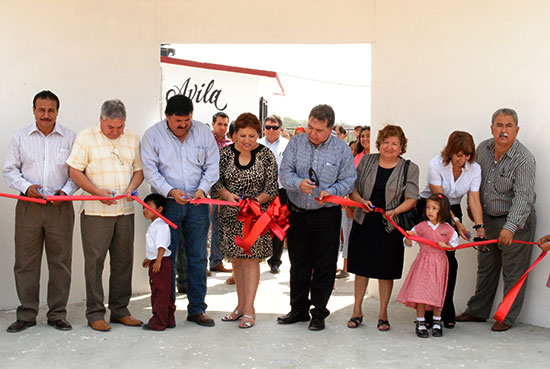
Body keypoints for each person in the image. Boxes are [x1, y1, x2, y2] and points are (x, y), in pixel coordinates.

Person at [3, 90, 78, 333]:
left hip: (60, 208)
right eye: (41, 110)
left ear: (58, 111)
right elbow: (9, 171)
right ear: (33, 110)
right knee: (26, 262)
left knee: (60, 263)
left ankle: (57, 314)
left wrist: (65, 193)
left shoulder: (70, 137)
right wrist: (27, 188)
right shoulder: (20, 137)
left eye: (51, 110)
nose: (46, 115)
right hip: (29, 207)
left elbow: (76, 173)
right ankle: (26, 314)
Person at [141, 94, 219, 327]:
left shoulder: (203, 132)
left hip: (198, 204)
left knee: (197, 257)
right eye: (178, 121)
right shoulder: (153, 135)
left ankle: (197, 310)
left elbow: (212, 165)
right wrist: (170, 191)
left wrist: (203, 190)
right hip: (169, 204)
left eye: (187, 120)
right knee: (166, 260)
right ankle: (167, 313)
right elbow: (150, 171)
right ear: (167, 117)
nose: (183, 125)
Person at [456, 108, 536, 332]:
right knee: (486, 267)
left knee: (513, 272)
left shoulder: (524, 159)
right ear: (492, 128)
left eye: (508, 126)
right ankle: (477, 311)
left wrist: (510, 228)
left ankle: (506, 317)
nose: (503, 130)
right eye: (499, 125)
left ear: (516, 130)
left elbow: (524, 197)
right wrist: (474, 213)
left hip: (517, 222)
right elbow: (474, 183)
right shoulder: (482, 149)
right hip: (487, 220)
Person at [67, 99, 144, 332]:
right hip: (95, 212)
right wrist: (96, 192)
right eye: (111, 127)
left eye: (120, 127)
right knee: (95, 263)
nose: (116, 132)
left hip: (125, 211)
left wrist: (131, 188)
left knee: (123, 262)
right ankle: (95, 313)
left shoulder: (132, 138)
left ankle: (120, 310)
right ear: (101, 120)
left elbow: (139, 171)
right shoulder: (85, 137)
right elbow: (74, 171)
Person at [278, 104, 356, 331]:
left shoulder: (341, 150)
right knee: (298, 263)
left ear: (330, 128)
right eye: (310, 127)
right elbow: (285, 173)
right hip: (298, 213)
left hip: (326, 215)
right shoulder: (295, 143)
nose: (312, 133)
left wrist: (332, 192)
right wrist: (297, 184)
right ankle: (298, 309)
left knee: (325, 265)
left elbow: (349, 179)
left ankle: (319, 313)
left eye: (318, 130)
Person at [346, 124, 419, 331]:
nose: (389, 147)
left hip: (389, 226)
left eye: (394, 143)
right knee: (360, 269)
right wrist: (361, 201)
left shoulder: (409, 167)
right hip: (364, 222)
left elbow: (412, 198)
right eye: (386, 142)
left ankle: (383, 314)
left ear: (402, 146)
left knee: (385, 271)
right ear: (379, 143)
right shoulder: (367, 160)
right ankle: (357, 310)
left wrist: (395, 211)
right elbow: (354, 189)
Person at [212, 112, 278, 328]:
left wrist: (254, 203)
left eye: (252, 136)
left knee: (251, 261)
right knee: (237, 261)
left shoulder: (267, 155)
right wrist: (226, 195)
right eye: (242, 136)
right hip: (230, 217)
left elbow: (272, 187)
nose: (247, 140)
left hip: (255, 218)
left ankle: (249, 308)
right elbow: (215, 182)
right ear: (235, 134)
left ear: (258, 134)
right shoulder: (224, 154)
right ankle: (240, 306)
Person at [418, 131, 485, 329]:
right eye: (458, 154)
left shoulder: (474, 169)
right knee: (430, 262)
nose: (462, 159)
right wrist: (458, 224)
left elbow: (473, 199)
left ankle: (445, 308)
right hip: (432, 208)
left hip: (453, 209)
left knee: (449, 262)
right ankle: (427, 311)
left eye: (466, 155)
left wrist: (479, 228)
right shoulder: (435, 164)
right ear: (450, 152)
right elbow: (439, 201)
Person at [397, 193, 459, 338]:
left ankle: (437, 321)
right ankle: (421, 322)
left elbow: (454, 245)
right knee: (421, 293)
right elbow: (409, 243)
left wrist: (446, 246)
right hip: (423, 263)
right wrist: (409, 238)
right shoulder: (421, 227)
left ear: (442, 210)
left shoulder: (448, 229)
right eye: (428, 208)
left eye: (434, 208)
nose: (430, 211)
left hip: (440, 265)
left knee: (437, 293)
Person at [337, 126, 371, 280]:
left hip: (370, 207)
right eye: (362, 136)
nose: (365, 139)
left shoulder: (379, 158)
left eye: (368, 136)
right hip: (352, 205)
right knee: (349, 236)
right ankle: (346, 267)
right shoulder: (356, 158)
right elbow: (347, 182)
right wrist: (347, 204)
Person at [257, 114, 289, 274]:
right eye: (268, 127)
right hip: (260, 193)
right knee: (257, 225)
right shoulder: (256, 144)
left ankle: (275, 261)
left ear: (280, 129)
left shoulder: (287, 145)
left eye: (274, 127)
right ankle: (255, 258)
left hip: (280, 192)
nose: (271, 130)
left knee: (279, 227)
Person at [141, 194, 175, 331]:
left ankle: (158, 322)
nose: (145, 210)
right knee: (165, 291)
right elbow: (154, 246)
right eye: (144, 207)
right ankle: (168, 319)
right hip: (157, 260)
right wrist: (149, 258)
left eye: (149, 207)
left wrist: (158, 261)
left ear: (160, 209)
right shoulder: (155, 225)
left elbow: (161, 245)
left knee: (159, 292)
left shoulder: (160, 225)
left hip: (161, 263)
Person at [209, 112, 233, 274]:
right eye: (219, 124)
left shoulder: (230, 144)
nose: (222, 127)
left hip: (223, 191)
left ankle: (216, 261)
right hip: (203, 189)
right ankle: (198, 265)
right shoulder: (205, 141)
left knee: (219, 227)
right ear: (213, 124)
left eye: (225, 124)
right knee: (201, 228)